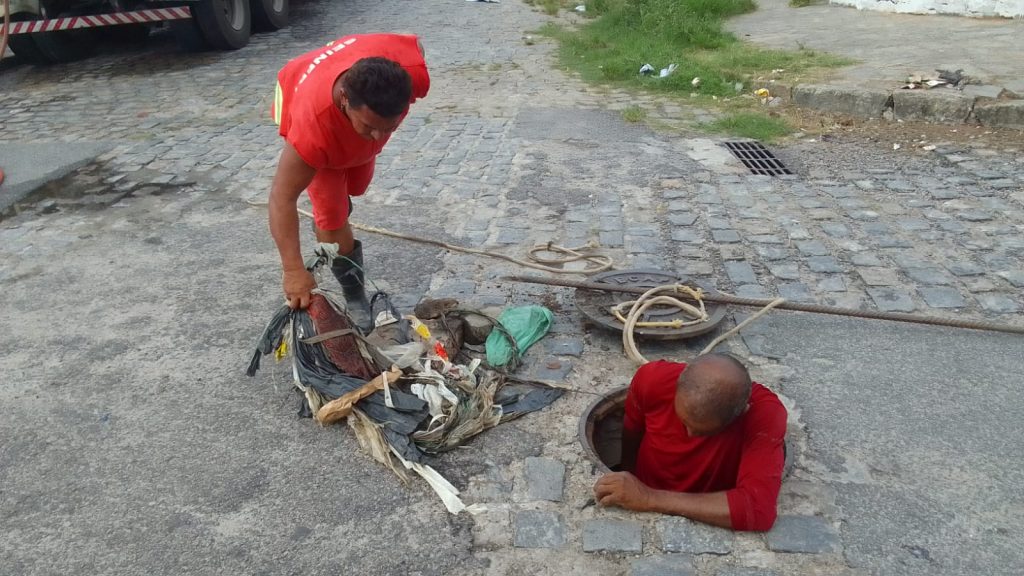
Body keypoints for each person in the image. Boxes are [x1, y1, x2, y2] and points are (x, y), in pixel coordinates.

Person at [268, 33, 430, 311]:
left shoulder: (411, 73)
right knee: (332, 215)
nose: (378, 135)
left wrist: (370, 131)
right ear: (345, 99)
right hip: (300, 88)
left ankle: (335, 215)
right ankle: (355, 296)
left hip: (337, 85)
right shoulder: (312, 131)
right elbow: (281, 199)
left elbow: (411, 43)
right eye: (369, 126)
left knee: (356, 186)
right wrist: (293, 272)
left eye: (390, 127)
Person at [593, 353, 787, 531]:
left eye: (705, 432)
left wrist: (649, 498)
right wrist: (628, 475)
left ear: (742, 412)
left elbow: (757, 509)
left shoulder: (764, 414)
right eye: (683, 421)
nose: (690, 433)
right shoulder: (653, 380)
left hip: (707, 509)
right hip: (645, 482)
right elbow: (631, 431)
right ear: (678, 387)